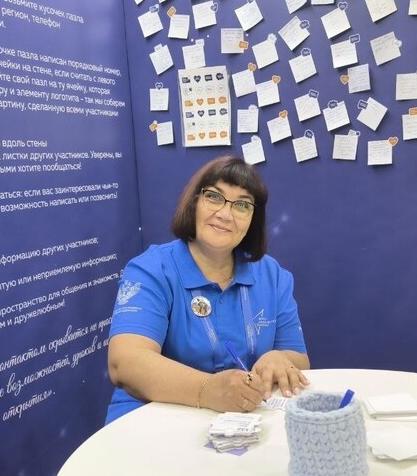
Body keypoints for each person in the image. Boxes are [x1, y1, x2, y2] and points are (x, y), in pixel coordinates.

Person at [106, 155, 310, 424]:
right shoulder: (151, 269)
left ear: (253, 219)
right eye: (214, 197)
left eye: (242, 205)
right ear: (194, 202)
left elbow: (300, 360)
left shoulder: (272, 275)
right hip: (153, 419)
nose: (225, 214)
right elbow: (125, 363)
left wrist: (279, 358)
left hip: (242, 422)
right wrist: (208, 390)